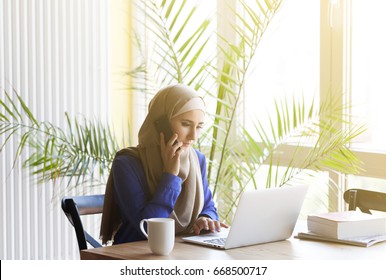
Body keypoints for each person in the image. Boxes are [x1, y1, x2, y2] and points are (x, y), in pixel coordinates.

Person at [100, 84, 227, 245]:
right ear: (161, 123)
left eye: (199, 126)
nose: (194, 136)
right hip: (135, 255)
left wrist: (206, 218)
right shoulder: (127, 164)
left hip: (182, 251)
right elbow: (147, 226)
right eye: (186, 124)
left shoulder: (197, 160)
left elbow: (208, 205)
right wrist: (170, 176)